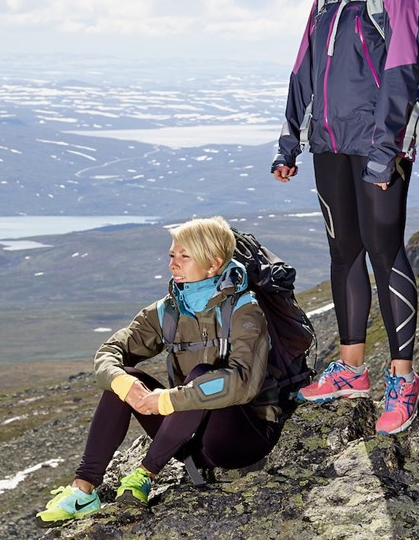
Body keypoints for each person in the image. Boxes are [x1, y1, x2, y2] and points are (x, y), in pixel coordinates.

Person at [273, 0, 419, 434]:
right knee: (344, 253)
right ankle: (352, 367)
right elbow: (302, 71)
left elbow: (402, 72)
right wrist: (290, 141)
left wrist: (386, 152)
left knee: (385, 253)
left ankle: (404, 379)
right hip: (330, 145)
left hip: (378, 146)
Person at [37, 217, 281, 521]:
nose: (172, 265)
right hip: (185, 438)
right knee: (128, 377)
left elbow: (243, 382)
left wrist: (169, 400)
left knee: (203, 373)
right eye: (171, 255)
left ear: (213, 264)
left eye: (184, 256)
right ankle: (83, 491)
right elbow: (108, 353)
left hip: (240, 440)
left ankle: (144, 475)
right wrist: (124, 384)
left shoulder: (246, 310)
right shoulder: (167, 310)